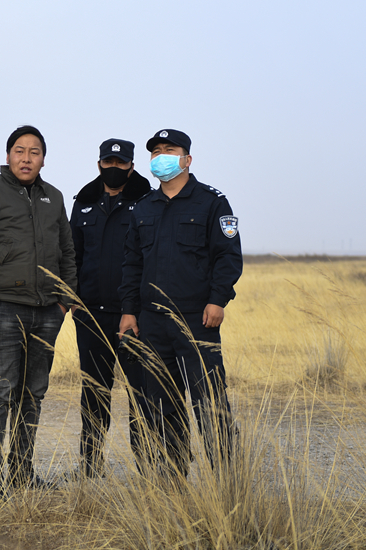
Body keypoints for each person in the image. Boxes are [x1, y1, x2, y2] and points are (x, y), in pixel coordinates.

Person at [0, 125, 77, 496]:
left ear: (43, 159)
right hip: (4, 311)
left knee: (33, 394)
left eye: (34, 152)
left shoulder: (54, 198)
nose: (26, 158)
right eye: (20, 151)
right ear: (8, 155)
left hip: (47, 312)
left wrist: (64, 301)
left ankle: (22, 473)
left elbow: (68, 252)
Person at [118, 128, 242, 478]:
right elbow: (132, 263)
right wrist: (129, 311)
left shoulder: (212, 202)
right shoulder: (144, 207)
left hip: (197, 320)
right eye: (156, 151)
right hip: (152, 322)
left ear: (187, 159)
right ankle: (174, 480)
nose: (162, 157)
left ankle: (227, 481)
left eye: (169, 150)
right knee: (162, 404)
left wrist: (217, 300)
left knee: (210, 401)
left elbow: (228, 256)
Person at [68, 138, 151, 477]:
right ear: (99, 164)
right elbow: (72, 255)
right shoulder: (84, 202)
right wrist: (74, 299)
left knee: (141, 393)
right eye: (108, 163)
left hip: (134, 316)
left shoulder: (147, 200)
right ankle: (90, 467)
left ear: (131, 166)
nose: (114, 169)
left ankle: (148, 468)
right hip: (90, 315)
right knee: (94, 391)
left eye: (121, 163)